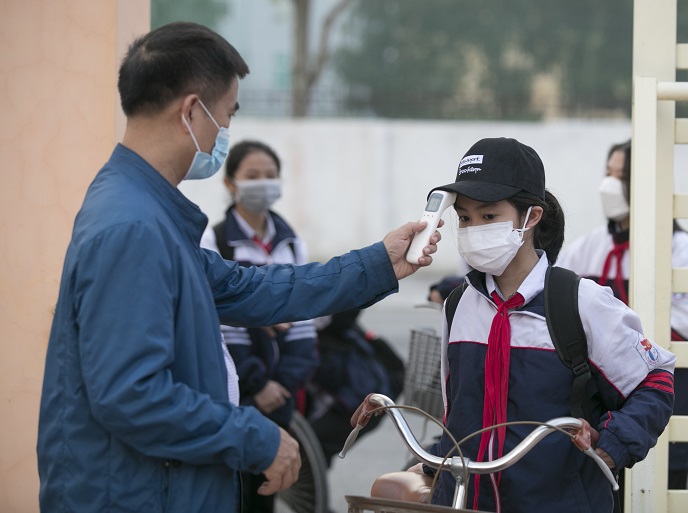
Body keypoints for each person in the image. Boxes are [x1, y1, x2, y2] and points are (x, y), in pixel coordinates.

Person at [36, 22, 441, 513]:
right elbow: (130, 395)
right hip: (133, 496)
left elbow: (251, 288)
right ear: (191, 111)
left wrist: (378, 263)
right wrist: (256, 437)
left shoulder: (148, 212)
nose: (225, 133)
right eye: (226, 115)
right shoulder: (133, 227)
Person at [355, 137, 676, 513]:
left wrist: (614, 442)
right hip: (467, 502)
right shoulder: (458, 306)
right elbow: (456, 412)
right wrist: (435, 461)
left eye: (488, 216)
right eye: (465, 218)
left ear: (532, 217)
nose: (473, 228)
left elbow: (655, 381)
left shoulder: (580, 302)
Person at [557, 139, 688, 495]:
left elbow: (685, 326)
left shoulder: (680, 250)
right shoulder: (591, 245)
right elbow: (545, 287)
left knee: (664, 491)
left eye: (622, 176)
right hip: (604, 414)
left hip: (662, 401)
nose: (610, 185)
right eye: (608, 173)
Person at [200, 140, 320, 512]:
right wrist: (257, 383)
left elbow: (303, 322)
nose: (263, 183)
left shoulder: (289, 241)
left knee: (265, 492)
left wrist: (283, 384)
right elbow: (219, 324)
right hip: (239, 393)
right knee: (234, 490)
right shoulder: (215, 240)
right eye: (253, 176)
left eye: (270, 176)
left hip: (280, 397)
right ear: (230, 183)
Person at [305, 308, 405, 466]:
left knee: (308, 448)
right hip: (360, 392)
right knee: (309, 448)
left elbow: (347, 309)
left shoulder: (329, 322)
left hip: (356, 399)